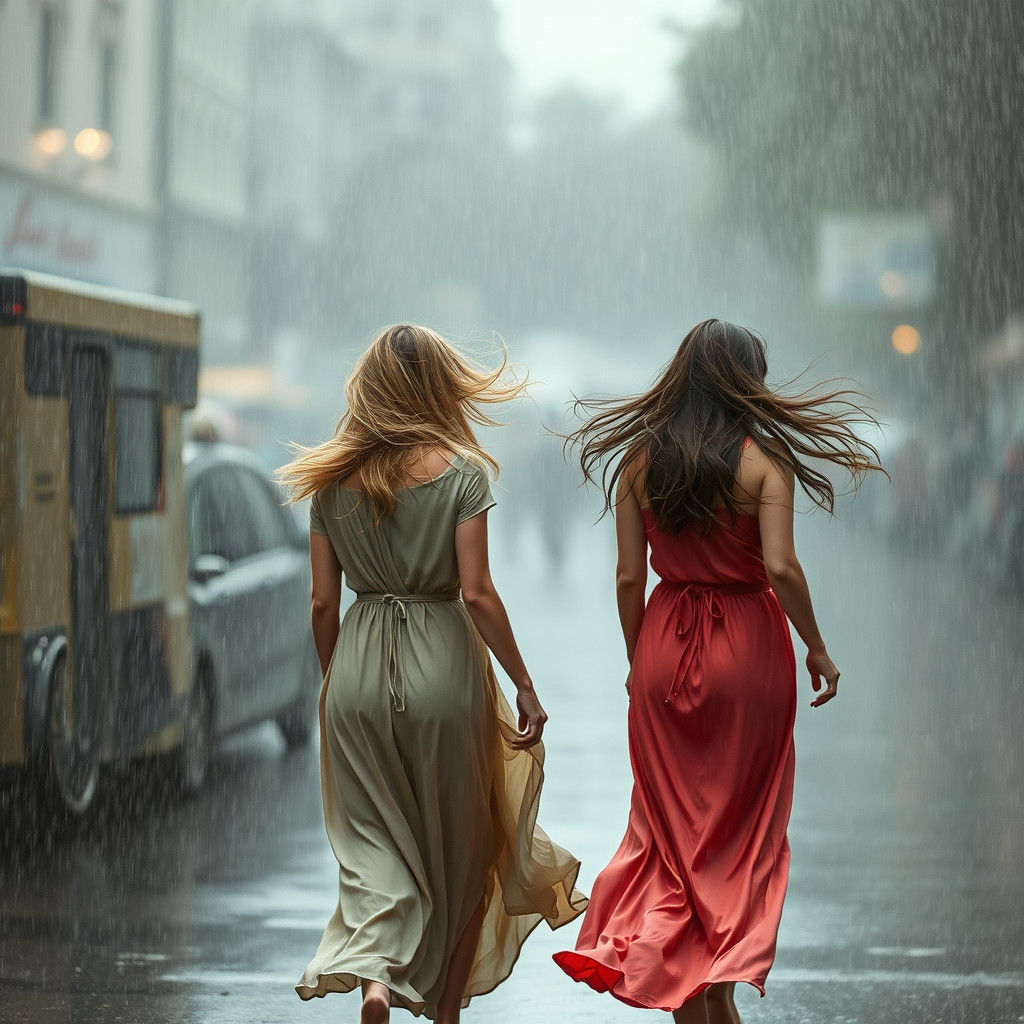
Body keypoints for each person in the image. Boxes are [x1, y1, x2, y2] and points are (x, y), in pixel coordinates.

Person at [552, 319, 881, 1023]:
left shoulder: (639, 462)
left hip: (663, 647)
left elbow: (624, 578)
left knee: (669, 836)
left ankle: (691, 986)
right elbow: (783, 568)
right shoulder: (764, 464)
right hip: (750, 651)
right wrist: (816, 647)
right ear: (747, 382)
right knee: (741, 832)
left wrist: (641, 657)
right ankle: (719, 980)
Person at [277, 324, 586, 1024]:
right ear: (438, 388)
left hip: (356, 664)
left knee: (374, 848)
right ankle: (446, 1013)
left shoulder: (330, 480)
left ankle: (377, 980)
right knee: (466, 848)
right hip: (445, 668)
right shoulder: (462, 474)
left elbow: (323, 601)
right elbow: (476, 592)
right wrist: (525, 687)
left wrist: (337, 682)